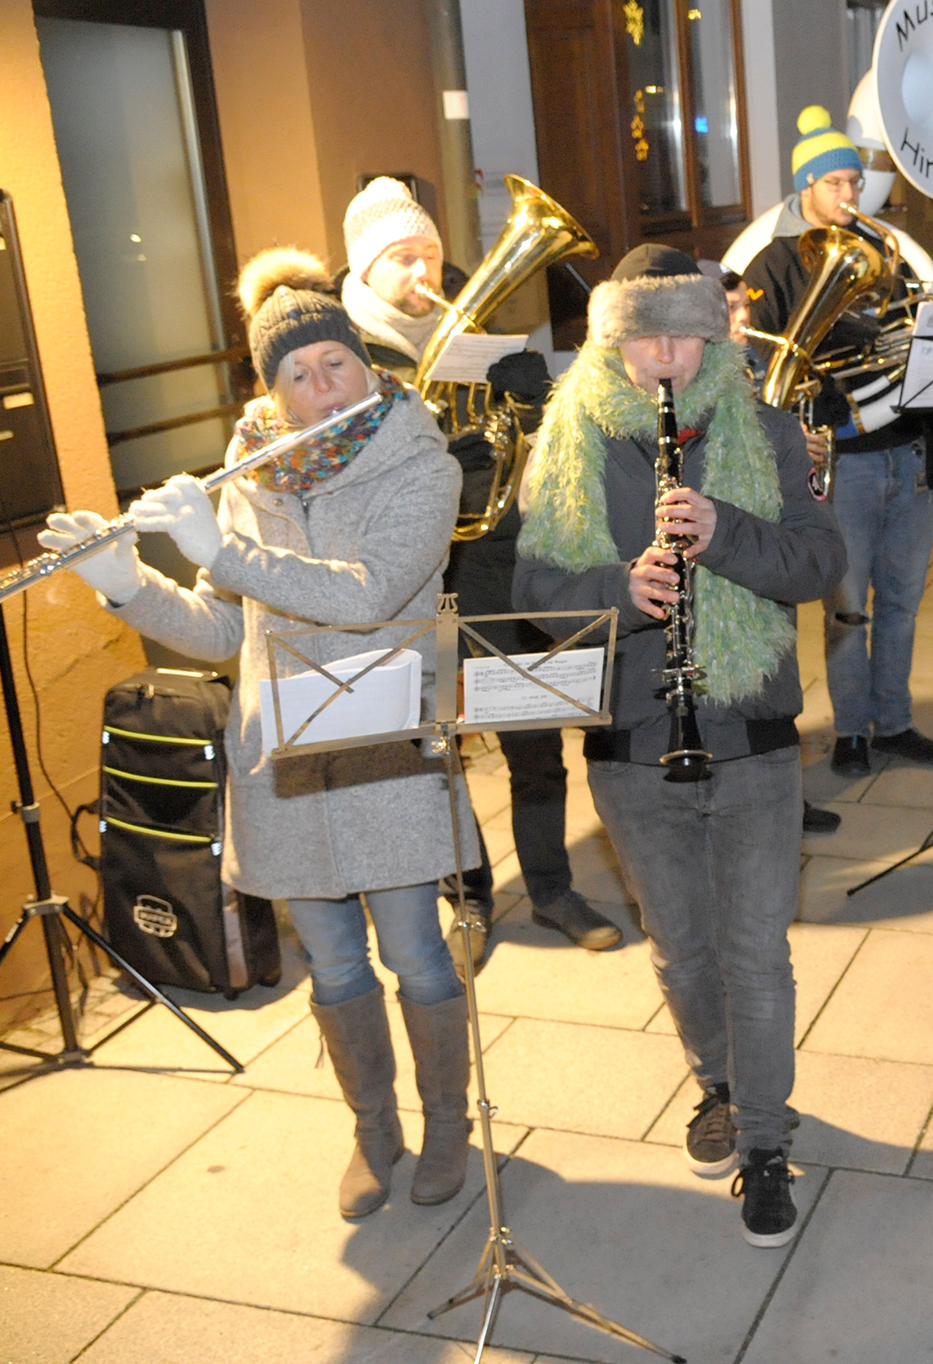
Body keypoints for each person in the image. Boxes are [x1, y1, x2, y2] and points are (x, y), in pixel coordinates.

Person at [39, 250, 478, 1219]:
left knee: (416, 953)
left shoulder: (423, 464)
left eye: (336, 365)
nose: (321, 389)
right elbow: (222, 628)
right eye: (297, 375)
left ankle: (448, 1123)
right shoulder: (251, 477)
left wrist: (219, 546)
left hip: (382, 750)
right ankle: (375, 1129)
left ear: (366, 366)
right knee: (334, 961)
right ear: (270, 394)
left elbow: (367, 600)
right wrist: (121, 576)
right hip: (280, 760)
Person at [512, 245, 843, 1244]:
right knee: (684, 950)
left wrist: (723, 531)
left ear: (714, 336)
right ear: (611, 340)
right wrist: (622, 591)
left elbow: (820, 562)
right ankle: (718, 1082)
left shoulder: (774, 434)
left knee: (755, 954)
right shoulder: (567, 444)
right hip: (630, 744)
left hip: (749, 735)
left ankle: (765, 1142)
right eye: (643, 336)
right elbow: (531, 599)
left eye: (684, 337)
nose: (665, 359)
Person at [338, 176, 619, 956]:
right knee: (437, 750)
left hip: (493, 559)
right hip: (408, 575)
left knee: (532, 737)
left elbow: (530, 452)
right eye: (402, 258)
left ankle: (554, 889)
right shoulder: (342, 351)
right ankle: (466, 898)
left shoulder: (471, 329)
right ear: (364, 268)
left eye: (429, 251)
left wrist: (532, 413)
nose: (422, 270)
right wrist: (424, 442)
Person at [737, 107, 933, 781]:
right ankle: (850, 731)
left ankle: (894, 722)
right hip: (844, 465)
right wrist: (820, 389)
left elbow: (929, 343)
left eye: (854, 185)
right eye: (833, 184)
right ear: (805, 186)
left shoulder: (888, 258)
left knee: (902, 603)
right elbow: (756, 361)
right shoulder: (773, 264)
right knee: (848, 611)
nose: (848, 197)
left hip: (906, 452)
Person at [720, 262, 841, 839]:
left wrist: (800, 451)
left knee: (782, 673)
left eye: (747, 306)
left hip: (778, 550)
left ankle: (788, 793)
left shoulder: (766, 364)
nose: (745, 319)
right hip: (732, 548)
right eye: (730, 311)